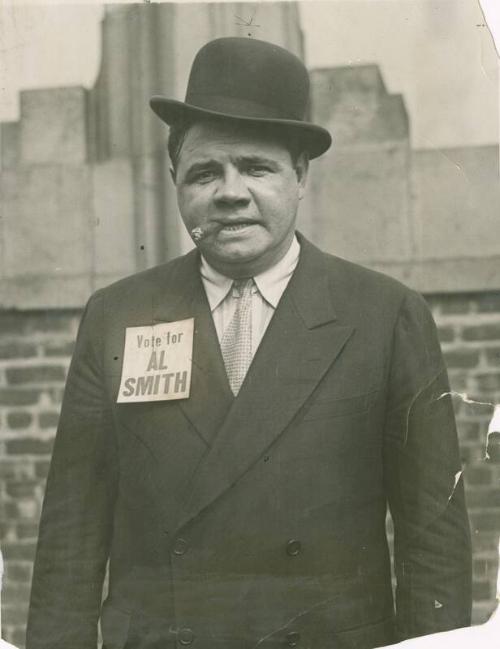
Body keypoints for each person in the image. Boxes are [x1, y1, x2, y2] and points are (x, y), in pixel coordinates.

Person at [26, 37, 472, 649]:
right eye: (205, 172)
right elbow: (70, 540)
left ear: (300, 176)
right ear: (177, 183)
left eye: (256, 168)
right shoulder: (117, 316)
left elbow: (433, 542)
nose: (229, 192)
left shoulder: (384, 315)